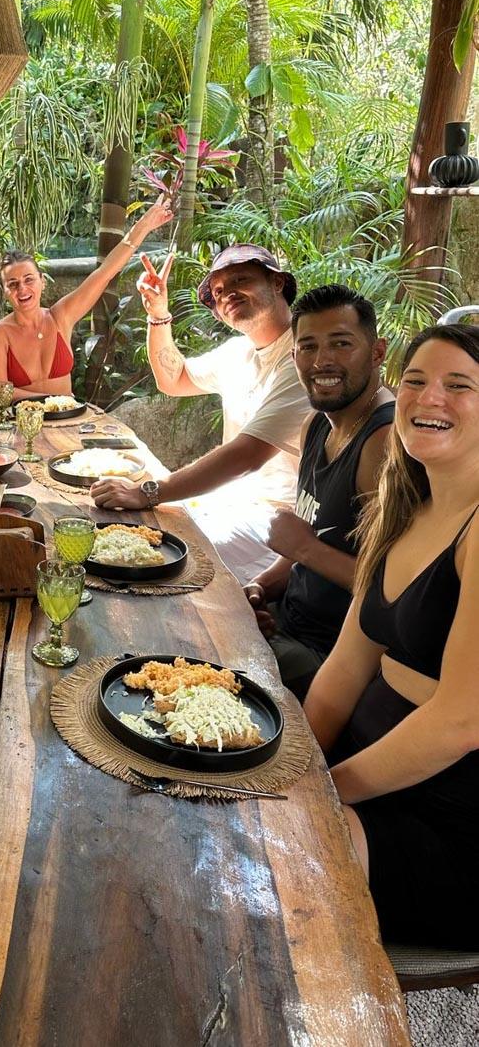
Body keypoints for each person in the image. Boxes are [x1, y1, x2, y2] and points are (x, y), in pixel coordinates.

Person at [303, 324, 479, 948]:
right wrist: (294, 765)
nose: (429, 398)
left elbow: (461, 721)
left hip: (449, 821)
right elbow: (345, 669)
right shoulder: (404, 507)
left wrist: (325, 791)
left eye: (458, 386)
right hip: (363, 772)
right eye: (415, 381)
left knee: (282, 874)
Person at [92, 243, 310, 584]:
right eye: (219, 291)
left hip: (278, 522)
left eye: (241, 279)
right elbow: (174, 378)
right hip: (228, 502)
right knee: (127, 533)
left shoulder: (305, 354)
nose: (228, 294)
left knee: (163, 561)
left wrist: (147, 491)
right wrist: (158, 313)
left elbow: (247, 455)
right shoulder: (239, 352)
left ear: (277, 283)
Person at [244, 285, 394, 699]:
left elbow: (396, 591)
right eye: (307, 347)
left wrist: (304, 550)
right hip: (286, 620)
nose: (322, 360)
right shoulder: (318, 424)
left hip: (330, 658)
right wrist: (261, 586)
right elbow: (316, 534)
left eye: (341, 344)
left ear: (377, 351)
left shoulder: (384, 442)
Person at [0, 199, 174, 400]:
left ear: (42, 282)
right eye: (13, 284)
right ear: (4, 291)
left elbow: (104, 272)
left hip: (69, 421)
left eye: (29, 279)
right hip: (20, 423)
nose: (22, 289)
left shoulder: (60, 317)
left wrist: (144, 225)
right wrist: (52, 402)